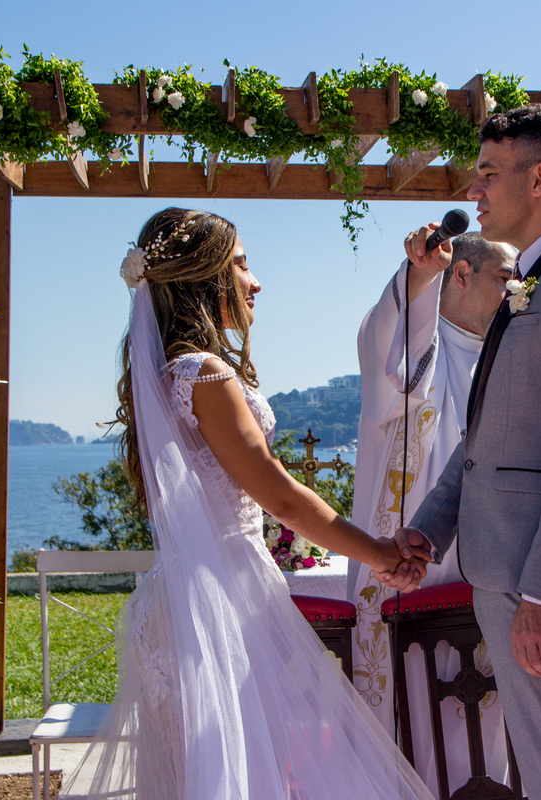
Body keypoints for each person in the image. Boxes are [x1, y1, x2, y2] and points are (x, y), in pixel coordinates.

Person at [61, 208, 433, 800]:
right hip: (215, 610)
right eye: (240, 263)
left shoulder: (162, 374)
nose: (254, 280)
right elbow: (280, 493)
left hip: (183, 600)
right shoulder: (204, 374)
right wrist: (380, 552)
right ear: (204, 277)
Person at [394, 104, 541, 799]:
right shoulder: (528, 283)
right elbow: (486, 436)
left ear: (539, 180)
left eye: (489, 175)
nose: (474, 193)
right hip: (509, 574)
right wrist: (430, 528)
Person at [350, 231, 515, 794]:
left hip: (491, 571)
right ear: (462, 275)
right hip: (411, 567)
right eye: (505, 278)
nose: (516, 293)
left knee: (490, 726)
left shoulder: (511, 356)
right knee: (415, 712)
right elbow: (385, 350)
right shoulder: (423, 347)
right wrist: (420, 275)